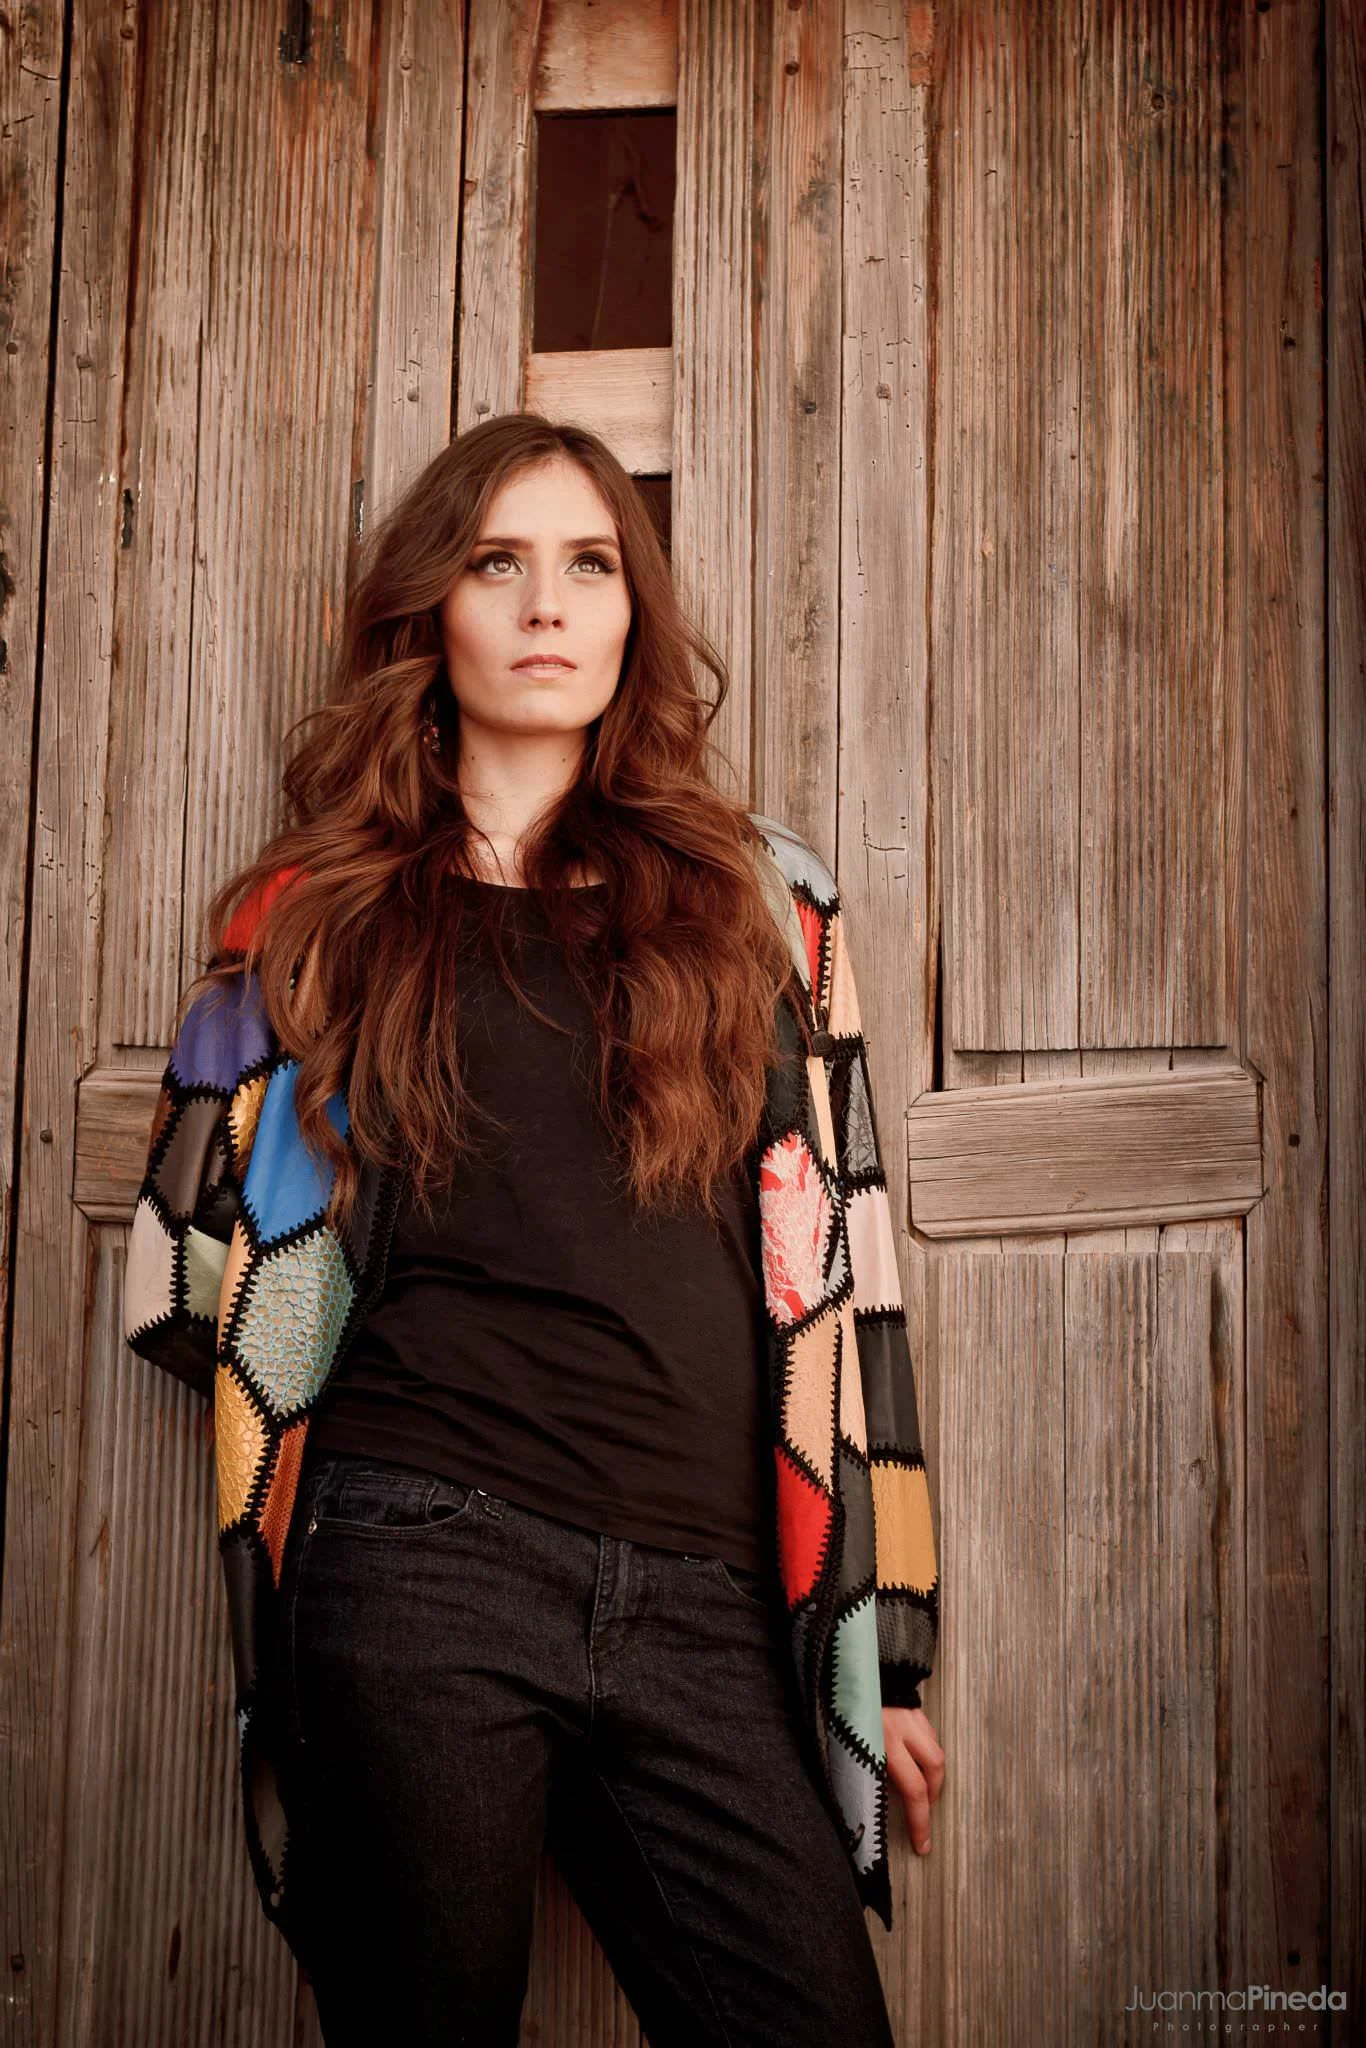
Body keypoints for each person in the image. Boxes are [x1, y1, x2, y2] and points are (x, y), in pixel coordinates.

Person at [123, 414, 944, 2046]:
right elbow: (182, 1266)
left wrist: (884, 1651)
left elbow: (851, 1261)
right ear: (433, 612)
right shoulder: (315, 913)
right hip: (423, 1562)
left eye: (588, 565)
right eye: (498, 564)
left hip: (709, 1594)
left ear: (634, 612)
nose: (547, 605)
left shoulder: (763, 901)